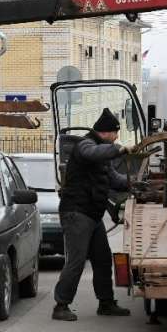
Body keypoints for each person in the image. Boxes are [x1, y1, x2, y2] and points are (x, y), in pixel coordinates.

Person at [53, 108, 135, 321]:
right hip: (77, 213)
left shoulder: (103, 155)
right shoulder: (86, 146)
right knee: (77, 261)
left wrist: (135, 183)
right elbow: (93, 154)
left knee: (102, 259)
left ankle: (106, 303)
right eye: (115, 134)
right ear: (105, 132)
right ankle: (61, 305)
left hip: (92, 215)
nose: (116, 138)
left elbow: (114, 179)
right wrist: (121, 150)